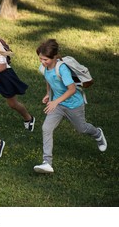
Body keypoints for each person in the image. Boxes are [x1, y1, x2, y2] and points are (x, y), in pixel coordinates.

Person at [34, 39, 107, 173]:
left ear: (54, 57)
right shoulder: (45, 68)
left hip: (74, 105)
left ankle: (97, 133)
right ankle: (47, 162)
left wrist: (55, 101)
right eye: (41, 59)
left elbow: (72, 89)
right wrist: (48, 93)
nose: (42, 62)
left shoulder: (62, 68)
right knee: (46, 128)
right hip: (58, 105)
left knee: (82, 129)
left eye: (45, 59)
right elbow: (48, 79)